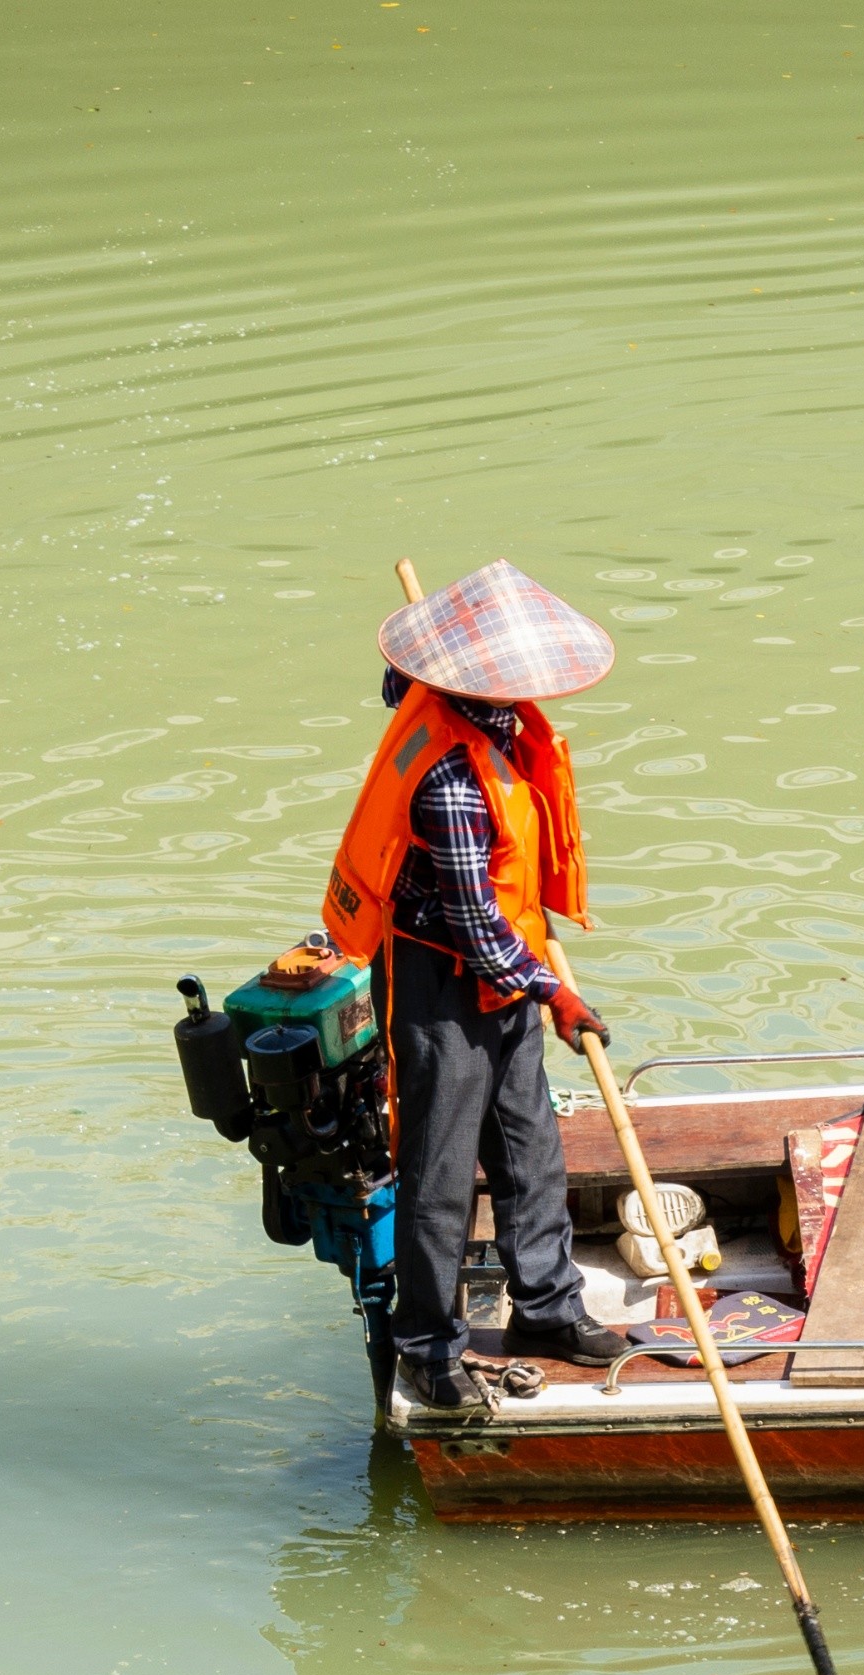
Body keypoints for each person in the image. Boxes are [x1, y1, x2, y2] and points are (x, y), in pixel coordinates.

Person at [317, 559, 634, 1408]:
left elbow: (400, 681)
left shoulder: (481, 718)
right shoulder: (451, 781)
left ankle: (547, 1304)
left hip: (501, 959)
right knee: (441, 1172)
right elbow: (474, 929)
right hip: (441, 980)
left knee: (531, 1147)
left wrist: (529, 976)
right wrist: (551, 993)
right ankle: (426, 1344)